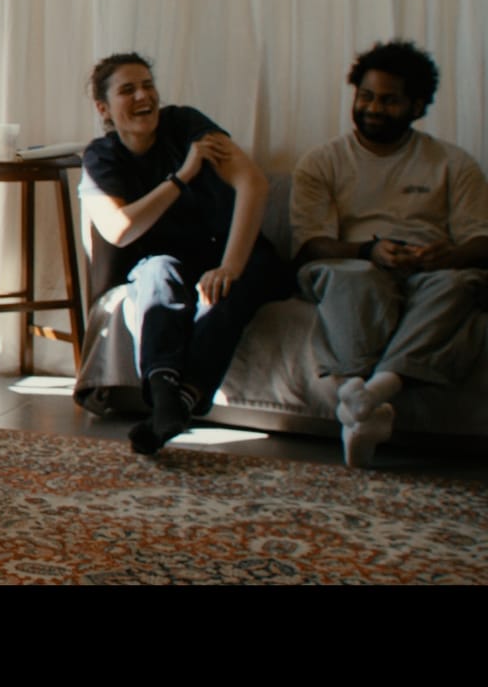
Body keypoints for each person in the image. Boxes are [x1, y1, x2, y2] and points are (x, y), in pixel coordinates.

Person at [79, 53, 291, 456]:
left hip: (235, 253)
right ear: (103, 108)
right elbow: (120, 230)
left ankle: (174, 406)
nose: (143, 96)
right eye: (128, 89)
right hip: (171, 259)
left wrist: (229, 266)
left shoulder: (188, 125)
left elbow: (254, 184)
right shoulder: (101, 157)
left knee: (225, 293)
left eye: (148, 85)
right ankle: (165, 399)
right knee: (154, 275)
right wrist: (181, 177)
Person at [289, 40, 488, 467]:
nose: (373, 108)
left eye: (389, 100)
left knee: (461, 284)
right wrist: (369, 250)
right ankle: (368, 397)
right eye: (366, 96)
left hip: (429, 272)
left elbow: (480, 240)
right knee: (354, 277)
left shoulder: (454, 163)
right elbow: (311, 244)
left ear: (417, 106)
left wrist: (447, 256)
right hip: (351, 264)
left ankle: (368, 398)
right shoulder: (322, 162)